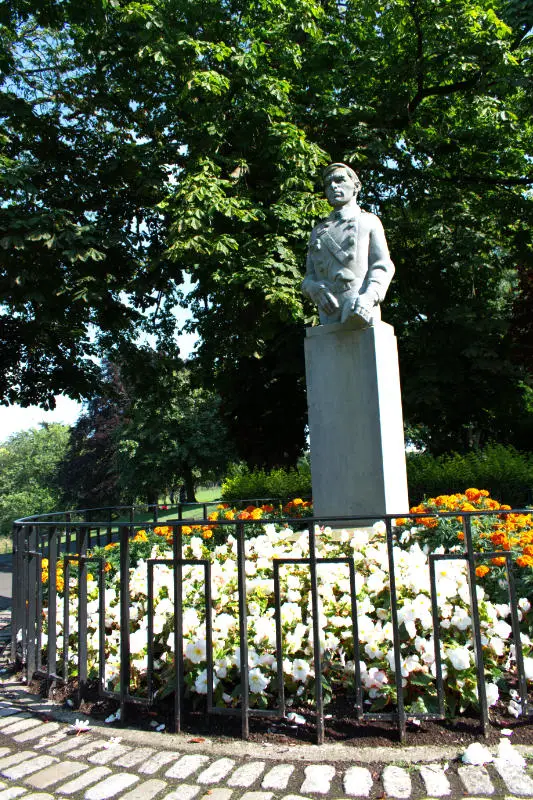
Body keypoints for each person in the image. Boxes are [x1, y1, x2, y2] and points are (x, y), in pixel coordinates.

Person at [302, 163, 395, 326]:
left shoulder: (368, 221)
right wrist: (313, 289)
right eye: (328, 183)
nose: (333, 186)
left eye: (339, 180)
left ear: (356, 186)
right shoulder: (317, 231)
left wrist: (369, 297)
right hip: (327, 315)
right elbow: (309, 277)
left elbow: (382, 266)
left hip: (361, 309)